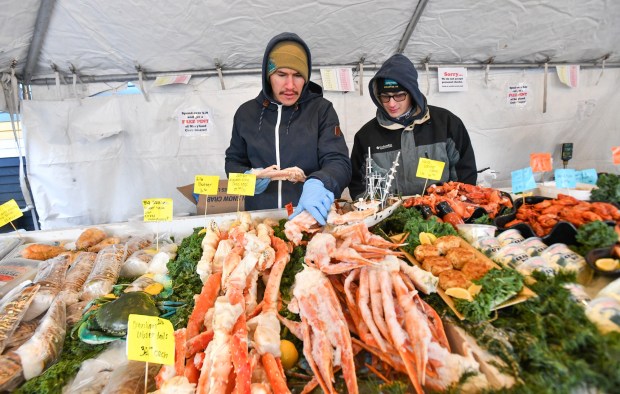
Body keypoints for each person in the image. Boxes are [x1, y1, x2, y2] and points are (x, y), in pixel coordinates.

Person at [225, 32, 351, 225]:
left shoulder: (321, 110)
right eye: (281, 75)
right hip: (259, 221)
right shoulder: (246, 113)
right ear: (268, 75)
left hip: (307, 217)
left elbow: (339, 162)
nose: (290, 85)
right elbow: (233, 162)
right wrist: (246, 179)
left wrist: (320, 182)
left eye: (298, 75)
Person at [348, 54, 477, 199]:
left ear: (412, 93)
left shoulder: (446, 123)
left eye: (399, 95)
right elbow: (357, 184)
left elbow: (465, 175)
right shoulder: (366, 136)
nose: (391, 103)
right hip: (388, 217)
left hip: (441, 214)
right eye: (385, 96)